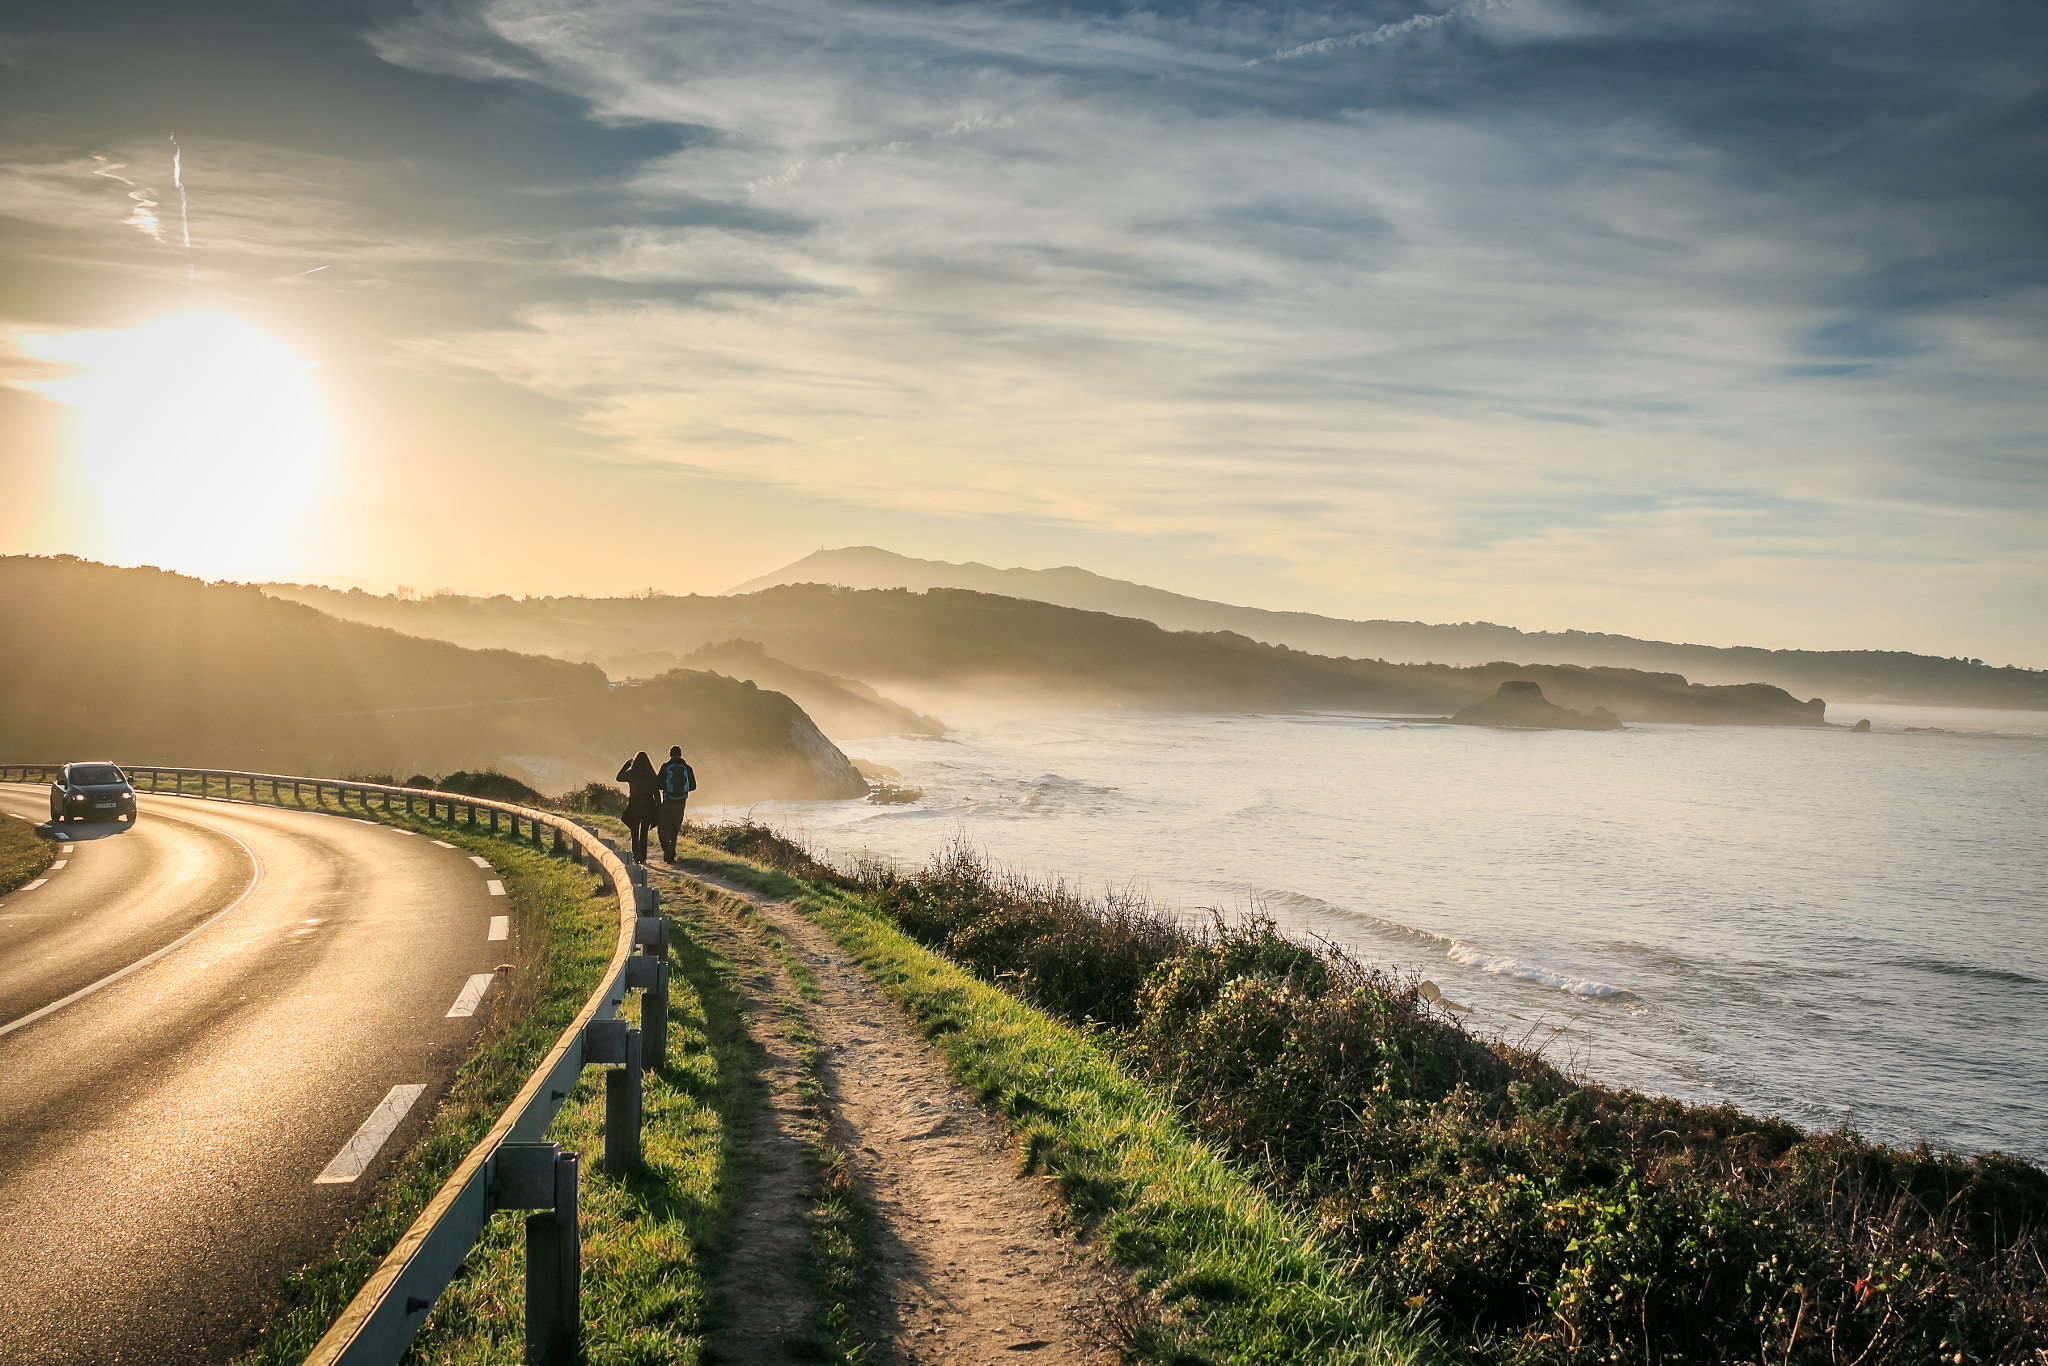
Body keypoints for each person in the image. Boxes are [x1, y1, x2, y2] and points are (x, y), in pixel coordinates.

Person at [615, 750, 660, 863]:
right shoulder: (651, 774)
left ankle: (636, 855)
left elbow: (619, 778)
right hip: (648, 805)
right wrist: (659, 807)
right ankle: (643, 857)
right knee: (644, 832)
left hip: (634, 805)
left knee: (634, 831)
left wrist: (627, 765)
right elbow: (656, 793)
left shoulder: (631, 773)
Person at [656, 745, 696, 862]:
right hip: (681, 803)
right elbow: (693, 786)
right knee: (675, 829)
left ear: (670, 754)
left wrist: (668, 788)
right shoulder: (687, 768)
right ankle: (671, 853)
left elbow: (658, 784)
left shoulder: (665, 767)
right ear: (681, 754)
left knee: (663, 827)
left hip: (668, 801)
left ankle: (667, 849)